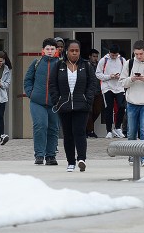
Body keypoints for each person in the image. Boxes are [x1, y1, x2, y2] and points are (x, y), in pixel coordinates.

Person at [50, 40, 98, 172]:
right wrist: (57, 100)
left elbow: (92, 84)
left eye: (77, 50)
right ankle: (70, 162)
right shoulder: (59, 65)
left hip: (81, 105)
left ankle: (81, 159)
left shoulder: (86, 65)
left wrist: (88, 100)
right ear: (66, 51)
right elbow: (52, 84)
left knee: (79, 132)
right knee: (68, 134)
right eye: (72, 50)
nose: (74, 53)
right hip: (64, 106)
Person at [23, 38, 61, 165]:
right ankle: (39, 155)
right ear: (43, 50)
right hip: (37, 102)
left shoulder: (61, 64)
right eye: (47, 49)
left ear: (56, 50)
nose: (50, 51)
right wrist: (31, 93)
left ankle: (51, 155)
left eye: (52, 49)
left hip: (55, 103)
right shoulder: (37, 63)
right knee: (40, 125)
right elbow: (27, 80)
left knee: (53, 129)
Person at [95, 45, 127, 138]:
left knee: (121, 106)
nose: (114, 57)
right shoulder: (103, 60)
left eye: (115, 55)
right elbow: (98, 74)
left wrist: (119, 76)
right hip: (107, 87)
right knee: (108, 108)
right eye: (112, 55)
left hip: (119, 87)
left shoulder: (122, 60)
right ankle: (109, 130)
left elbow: (126, 72)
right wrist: (109, 76)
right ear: (109, 53)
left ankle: (118, 127)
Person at [85, 48, 103, 138]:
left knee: (97, 111)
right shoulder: (86, 65)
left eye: (96, 56)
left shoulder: (100, 65)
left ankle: (87, 128)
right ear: (90, 56)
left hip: (98, 91)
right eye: (94, 56)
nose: (95, 58)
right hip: (89, 92)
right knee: (89, 112)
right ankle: (90, 130)